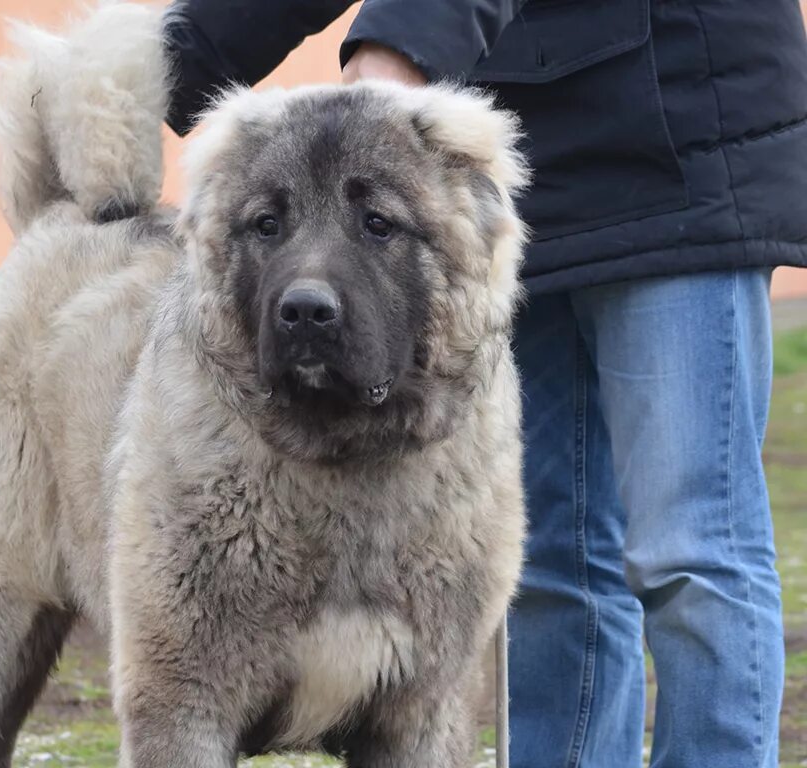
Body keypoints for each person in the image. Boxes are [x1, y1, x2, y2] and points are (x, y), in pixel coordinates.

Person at [161, 1, 807, 766]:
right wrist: (166, 66)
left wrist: (397, 51)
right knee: (553, 559)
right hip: (512, 156)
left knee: (691, 548)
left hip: (681, 139)